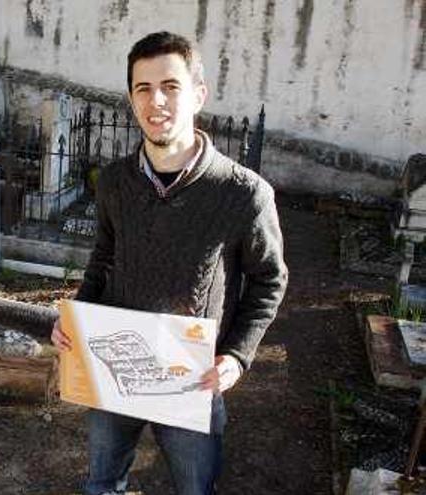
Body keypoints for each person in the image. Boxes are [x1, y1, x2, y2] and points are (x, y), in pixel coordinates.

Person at [51, 31, 288, 495]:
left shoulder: (244, 194)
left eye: (170, 86)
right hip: (114, 366)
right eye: (143, 88)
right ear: (131, 98)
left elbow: (268, 281)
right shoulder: (116, 181)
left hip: (192, 380)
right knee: (101, 484)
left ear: (199, 94)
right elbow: (103, 260)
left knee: (195, 489)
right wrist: (77, 321)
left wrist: (237, 358)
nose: (156, 100)